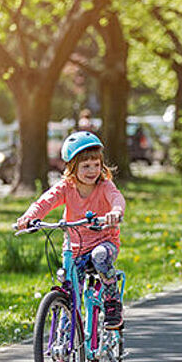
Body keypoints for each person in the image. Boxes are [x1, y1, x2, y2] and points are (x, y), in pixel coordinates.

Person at [16, 131, 126, 330]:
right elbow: (45, 201)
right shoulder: (66, 187)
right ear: (72, 168)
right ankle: (65, 341)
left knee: (101, 256)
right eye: (86, 166)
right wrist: (29, 217)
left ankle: (112, 302)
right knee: (70, 290)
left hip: (104, 242)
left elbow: (117, 198)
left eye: (96, 165)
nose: (92, 170)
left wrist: (115, 211)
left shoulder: (104, 186)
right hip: (75, 247)